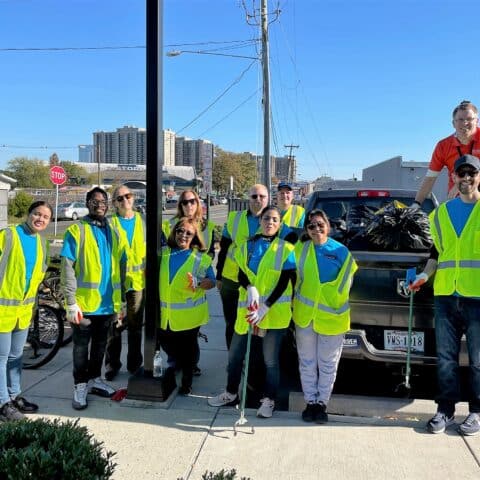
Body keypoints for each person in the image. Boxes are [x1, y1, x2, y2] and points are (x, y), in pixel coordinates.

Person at [410, 154, 480, 436]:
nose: (465, 178)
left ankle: (476, 412)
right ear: (453, 177)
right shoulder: (439, 214)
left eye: (471, 173)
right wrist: (424, 277)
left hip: (477, 296)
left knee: (477, 360)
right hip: (446, 296)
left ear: (478, 176)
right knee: (446, 358)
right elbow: (436, 254)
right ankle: (446, 410)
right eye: (460, 174)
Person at [208, 206, 296, 418]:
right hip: (247, 311)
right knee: (235, 355)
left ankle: (268, 400)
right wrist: (250, 287)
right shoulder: (247, 246)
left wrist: (266, 306)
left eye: (275, 219)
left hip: (273, 314)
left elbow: (285, 282)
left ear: (280, 224)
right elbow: (240, 274)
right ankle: (231, 393)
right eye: (266, 218)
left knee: (270, 361)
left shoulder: (287, 249)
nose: (270, 223)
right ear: (260, 221)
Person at [61, 187, 126, 410]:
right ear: (87, 203)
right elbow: (67, 267)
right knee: (81, 347)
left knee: (100, 345)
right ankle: (80, 385)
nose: (100, 204)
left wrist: (122, 300)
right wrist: (70, 301)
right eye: (95, 200)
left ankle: (94, 379)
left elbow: (122, 266)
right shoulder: (76, 230)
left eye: (103, 201)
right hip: (84, 303)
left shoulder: (114, 231)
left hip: (107, 303)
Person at [292, 209, 357, 423]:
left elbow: (345, 285)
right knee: (307, 362)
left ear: (328, 226)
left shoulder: (341, 252)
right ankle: (310, 402)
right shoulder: (300, 249)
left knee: (327, 364)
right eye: (311, 226)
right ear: (307, 230)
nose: (316, 229)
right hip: (305, 317)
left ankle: (322, 404)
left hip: (331, 318)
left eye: (320, 224)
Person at [0, 201, 52, 422]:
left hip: (23, 309)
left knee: (16, 356)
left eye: (45, 217)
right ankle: (3, 404)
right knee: (1, 358)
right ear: (28, 214)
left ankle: (14, 396)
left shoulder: (42, 242)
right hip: (3, 308)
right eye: (36, 214)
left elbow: (38, 274)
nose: (40, 219)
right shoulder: (9, 235)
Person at [158, 217, 215, 395]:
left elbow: (212, 281)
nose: (183, 235)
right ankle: (176, 365)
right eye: (180, 231)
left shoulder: (200, 259)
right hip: (165, 314)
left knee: (188, 350)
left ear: (195, 236)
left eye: (188, 233)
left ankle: (186, 382)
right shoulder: (163, 253)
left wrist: (199, 283)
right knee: (167, 344)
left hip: (190, 316)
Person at [216, 184, 269, 349]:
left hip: (260, 282)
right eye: (254, 196)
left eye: (261, 196)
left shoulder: (274, 220)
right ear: (248, 199)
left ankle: (252, 361)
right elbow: (224, 249)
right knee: (232, 322)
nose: (257, 200)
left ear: (268, 199)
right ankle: (233, 360)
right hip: (231, 280)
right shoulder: (235, 218)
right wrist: (218, 276)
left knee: (257, 323)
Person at [104, 185, 146, 380]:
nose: (124, 200)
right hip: (114, 283)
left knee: (135, 326)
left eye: (127, 196)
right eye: (119, 198)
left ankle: (134, 364)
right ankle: (112, 365)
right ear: (114, 203)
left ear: (133, 198)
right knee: (114, 326)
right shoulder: (108, 223)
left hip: (137, 283)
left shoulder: (143, 221)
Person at [413, 100, 480, 208]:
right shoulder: (443, 146)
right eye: (460, 120)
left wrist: (462, 183)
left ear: (477, 121)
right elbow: (430, 178)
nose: (465, 123)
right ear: (453, 123)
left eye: (469, 119)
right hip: (457, 202)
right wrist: (416, 204)